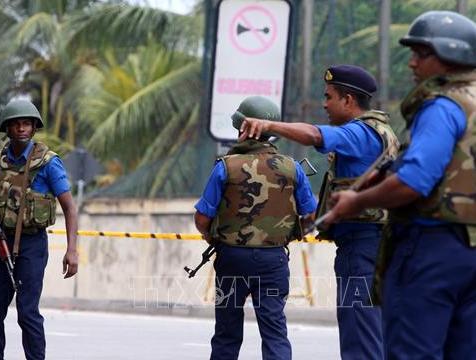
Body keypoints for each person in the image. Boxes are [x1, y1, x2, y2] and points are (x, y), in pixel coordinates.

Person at [325, 11, 476, 359]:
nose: (411, 64)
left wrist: (355, 202)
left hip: (433, 249)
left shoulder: (444, 106)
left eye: (421, 54)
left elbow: (413, 183)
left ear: (449, 57)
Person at [240, 66, 399, 359]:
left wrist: (268, 125)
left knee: (359, 335)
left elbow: (314, 135)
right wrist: (307, 223)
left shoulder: (359, 133)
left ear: (348, 100)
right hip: (377, 244)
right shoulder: (381, 131)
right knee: (376, 333)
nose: (324, 104)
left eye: (329, 97)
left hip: (362, 247)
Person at [194, 96, 317, 360]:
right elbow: (312, 214)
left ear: (242, 128)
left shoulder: (226, 167)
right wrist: (290, 234)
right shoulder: (292, 168)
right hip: (273, 260)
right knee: (274, 332)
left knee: (227, 332)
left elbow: (202, 218)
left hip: (231, 258)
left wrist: (213, 238)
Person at [0, 99, 78, 360]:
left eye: (26, 124)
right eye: (16, 124)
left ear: (34, 128)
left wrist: (72, 251)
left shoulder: (48, 163)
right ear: (7, 129)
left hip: (32, 245)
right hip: (0, 241)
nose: (21, 128)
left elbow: (69, 208)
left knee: (27, 312)